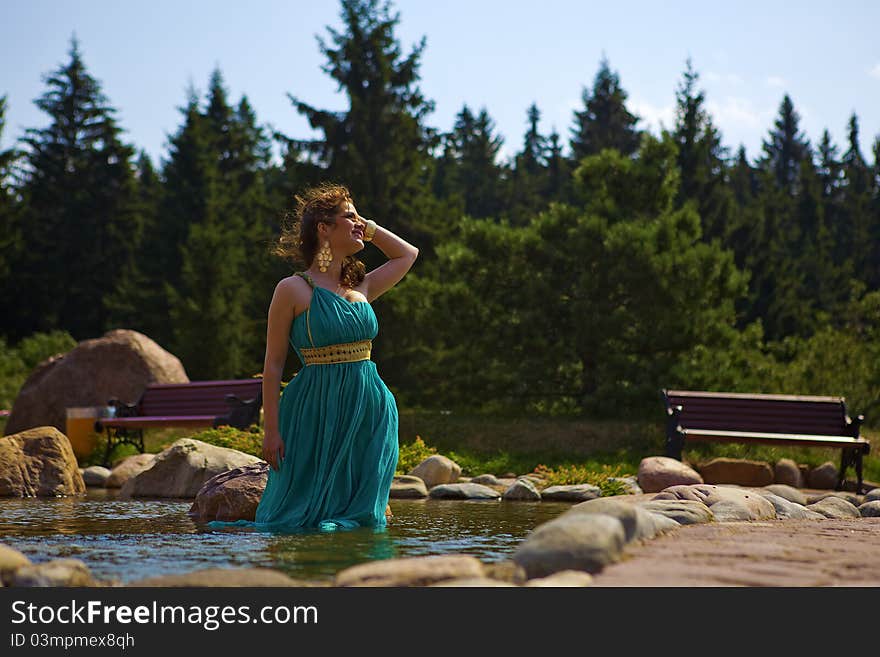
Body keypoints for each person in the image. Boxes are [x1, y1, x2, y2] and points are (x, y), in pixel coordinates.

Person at [255, 182, 418, 531]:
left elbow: (408, 255)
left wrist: (367, 228)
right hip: (315, 407)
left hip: (369, 406)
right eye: (349, 217)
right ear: (323, 228)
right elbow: (273, 365)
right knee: (307, 515)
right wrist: (271, 431)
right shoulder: (292, 289)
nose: (359, 223)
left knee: (362, 513)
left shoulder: (361, 286)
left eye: (359, 216)